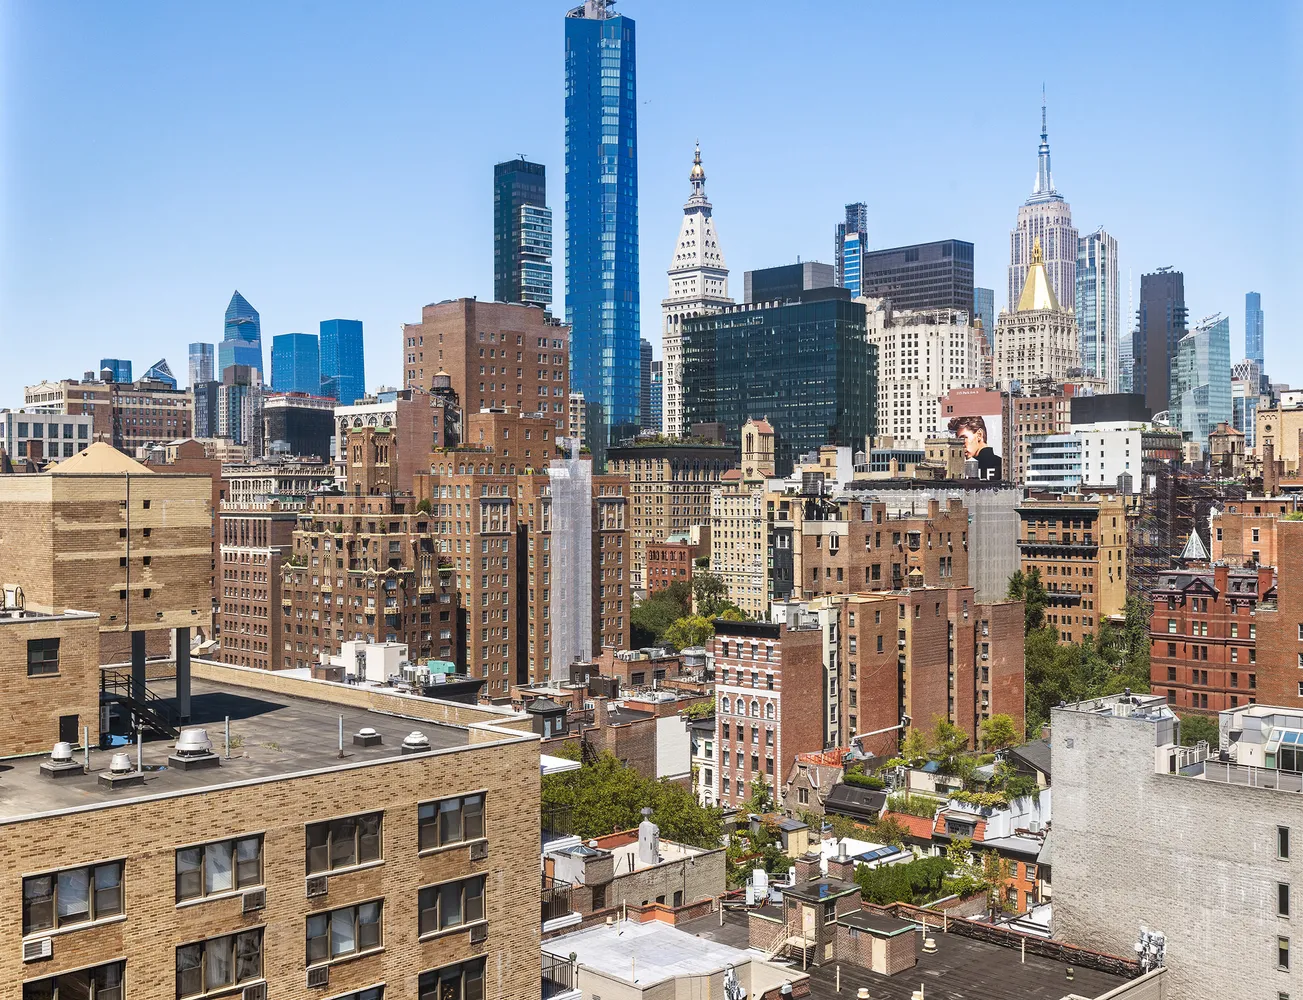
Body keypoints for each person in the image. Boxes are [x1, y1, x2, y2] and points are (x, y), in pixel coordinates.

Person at [948, 414, 1002, 481]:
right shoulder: (1001, 463)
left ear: (979, 435)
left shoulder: (1000, 465)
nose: (961, 445)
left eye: (963, 439)